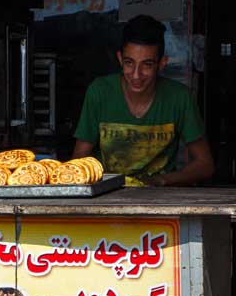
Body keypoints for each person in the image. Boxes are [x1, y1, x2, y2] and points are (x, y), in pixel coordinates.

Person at [72, 14, 214, 186]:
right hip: (106, 197)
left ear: (162, 63)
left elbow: (205, 165)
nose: (136, 75)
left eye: (147, 65)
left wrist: (160, 180)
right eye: (129, 63)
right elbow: (78, 161)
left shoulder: (180, 98)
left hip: (159, 199)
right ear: (119, 59)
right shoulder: (99, 92)